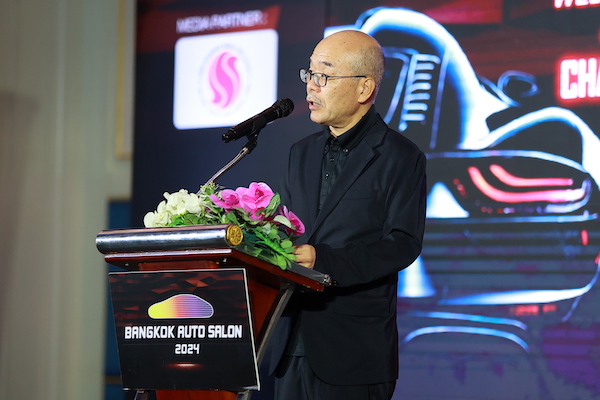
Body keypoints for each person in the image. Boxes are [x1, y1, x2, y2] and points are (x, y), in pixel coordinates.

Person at [269, 30, 427, 400]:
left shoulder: (401, 156)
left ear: (363, 88)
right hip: (289, 345)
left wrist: (323, 261)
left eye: (324, 76)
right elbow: (285, 229)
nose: (311, 87)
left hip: (354, 352)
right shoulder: (300, 153)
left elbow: (401, 244)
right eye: (309, 74)